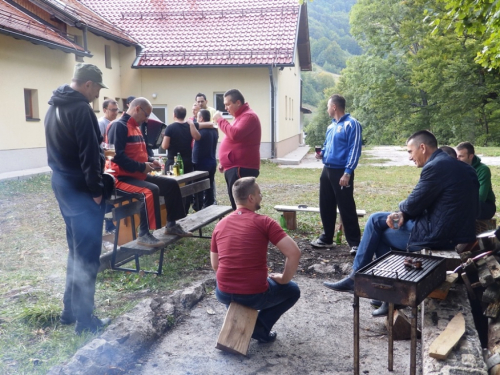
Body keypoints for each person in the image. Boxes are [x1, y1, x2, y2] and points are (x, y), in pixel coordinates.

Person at [323, 130, 479, 316]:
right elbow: (431, 202)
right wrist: (406, 212)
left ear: (422, 148)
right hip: (457, 232)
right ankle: (384, 294)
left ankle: (365, 282)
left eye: (410, 151)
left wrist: (403, 211)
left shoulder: (436, 166)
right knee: (380, 225)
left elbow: (412, 203)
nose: (410, 157)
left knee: (376, 225)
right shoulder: (463, 168)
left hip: (439, 234)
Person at [44, 63, 111, 334]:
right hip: (82, 193)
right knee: (87, 257)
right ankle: (85, 321)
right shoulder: (81, 109)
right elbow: (89, 155)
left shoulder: (54, 106)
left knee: (75, 252)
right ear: (87, 84)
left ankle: (69, 311)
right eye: (96, 88)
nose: (97, 95)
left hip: (62, 187)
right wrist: (96, 191)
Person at [211, 177, 301, 343]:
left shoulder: (220, 225)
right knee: (292, 290)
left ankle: (239, 320)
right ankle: (260, 328)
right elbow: (294, 253)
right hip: (254, 294)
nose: (261, 197)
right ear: (251, 198)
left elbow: (215, 265)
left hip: (223, 293)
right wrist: (284, 278)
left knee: (237, 293)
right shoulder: (264, 222)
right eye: (259, 193)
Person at [107, 98, 193, 247]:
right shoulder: (118, 126)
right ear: (137, 109)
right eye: (146, 115)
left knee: (171, 185)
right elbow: (116, 157)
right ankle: (144, 234)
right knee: (150, 190)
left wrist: (150, 161)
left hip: (136, 174)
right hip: (120, 178)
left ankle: (171, 225)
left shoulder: (136, 127)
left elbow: (138, 152)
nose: (147, 119)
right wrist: (141, 167)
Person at [310, 94, 362, 255]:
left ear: (334, 107)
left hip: (342, 171)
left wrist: (347, 172)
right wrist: (322, 154)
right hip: (327, 169)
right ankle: (327, 238)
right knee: (325, 204)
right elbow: (326, 145)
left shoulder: (352, 124)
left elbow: (355, 150)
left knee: (346, 206)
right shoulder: (331, 126)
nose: (327, 109)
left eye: (327, 106)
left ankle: (355, 243)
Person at [213, 89, 261, 210]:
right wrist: (224, 162)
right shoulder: (239, 117)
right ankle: (241, 227)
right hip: (234, 167)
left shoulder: (249, 116)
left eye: (228, 104)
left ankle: (245, 228)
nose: (226, 108)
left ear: (238, 102)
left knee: (241, 206)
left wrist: (220, 120)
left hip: (241, 168)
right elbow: (234, 141)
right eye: (225, 105)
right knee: (237, 205)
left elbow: (235, 134)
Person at [456, 142, 496, 219]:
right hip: (465, 202)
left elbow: (481, 197)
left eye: (461, 156)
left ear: (471, 156)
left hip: (485, 205)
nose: (457, 159)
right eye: (456, 156)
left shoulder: (483, 170)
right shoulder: (457, 167)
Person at [161, 105, 201, 174]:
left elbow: (165, 146)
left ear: (174, 114)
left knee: (173, 184)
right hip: (187, 161)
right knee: (188, 184)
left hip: (173, 162)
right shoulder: (190, 126)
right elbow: (198, 137)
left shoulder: (170, 128)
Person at [192, 109, 219, 210]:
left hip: (201, 163)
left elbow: (192, 125)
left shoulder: (201, 130)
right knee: (209, 186)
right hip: (211, 162)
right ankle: (209, 205)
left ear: (201, 118)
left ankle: (197, 207)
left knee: (198, 187)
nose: (196, 119)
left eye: (198, 117)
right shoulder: (214, 130)